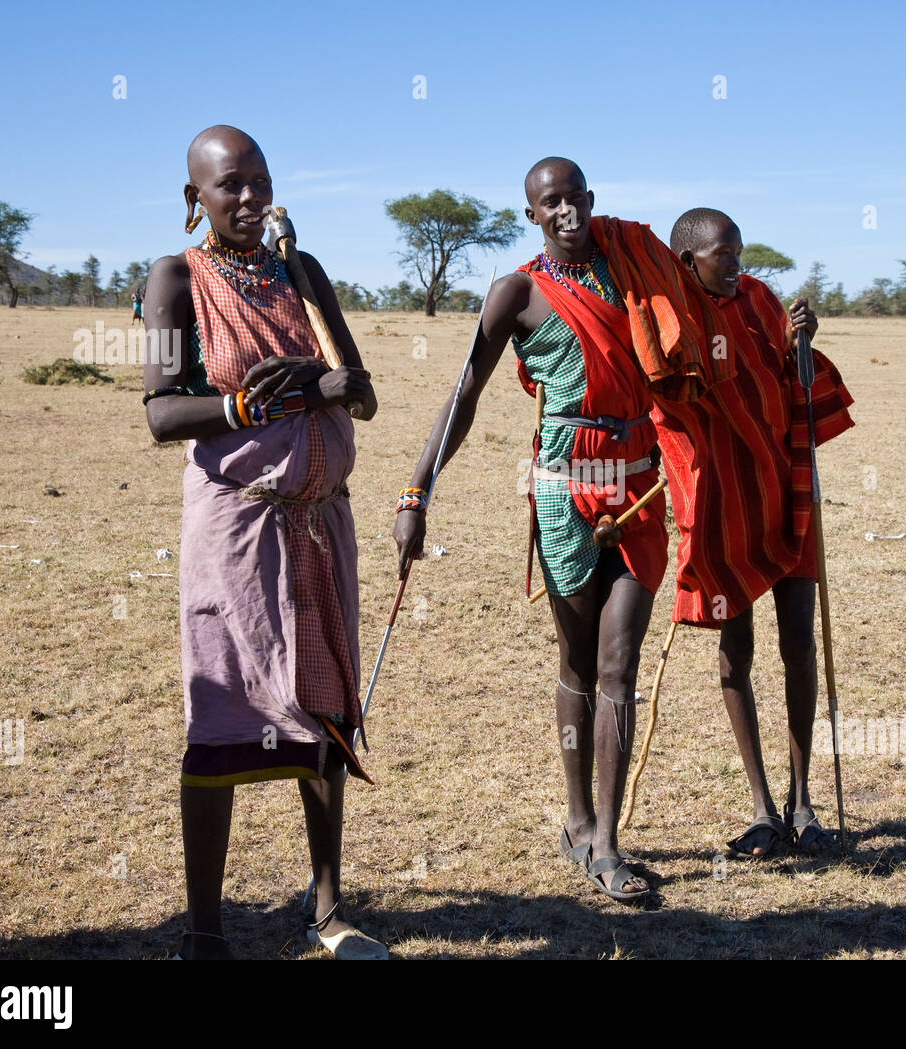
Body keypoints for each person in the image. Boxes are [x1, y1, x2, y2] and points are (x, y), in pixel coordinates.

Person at [393, 158, 727, 902]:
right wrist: (418, 489)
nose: (567, 210)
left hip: (639, 483)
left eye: (576, 197)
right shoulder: (517, 292)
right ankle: (577, 819)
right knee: (577, 660)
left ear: (592, 202)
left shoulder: (633, 269)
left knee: (619, 663)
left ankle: (608, 841)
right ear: (533, 216)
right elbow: (464, 396)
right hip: (564, 489)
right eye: (551, 203)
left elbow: (709, 289)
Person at [142, 125, 382, 959]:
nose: (249, 200)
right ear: (193, 200)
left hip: (323, 522)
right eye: (228, 186)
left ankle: (327, 909)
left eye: (261, 182)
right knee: (223, 715)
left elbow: (360, 393)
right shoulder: (176, 278)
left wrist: (335, 385)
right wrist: (254, 406)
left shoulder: (303, 272)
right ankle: (206, 931)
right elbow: (162, 413)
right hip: (237, 528)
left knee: (322, 716)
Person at [656, 207, 854, 858]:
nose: (738, 264)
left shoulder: (761, 298)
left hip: (784, 482)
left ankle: (803, 801)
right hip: (721, 499)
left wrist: (802, 340)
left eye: (740, 251)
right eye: (724, 254)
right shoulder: (670, 313)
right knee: (734, 645)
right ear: (689, 260)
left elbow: (790, 379)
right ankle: (762, 807)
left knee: (799, 637)